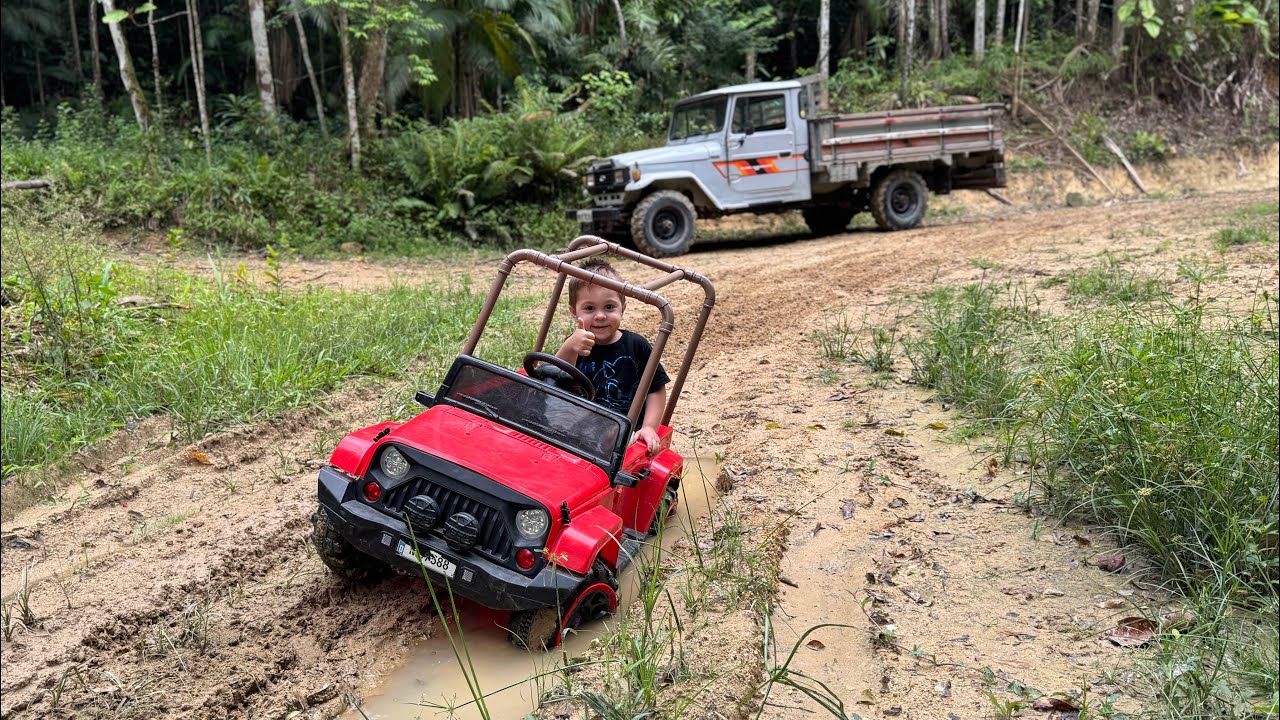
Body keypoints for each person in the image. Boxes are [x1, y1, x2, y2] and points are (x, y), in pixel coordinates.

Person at [555, 258, 669, 456]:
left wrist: (649, 427)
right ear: (574, 312)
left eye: (609, 307)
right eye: (589, 309)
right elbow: (555, 380)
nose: (600, 316)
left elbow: (656, 389)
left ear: (622, 308)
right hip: (579, 428)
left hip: (627, 434)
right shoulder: (574, 344)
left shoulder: (636, 346)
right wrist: (569, 347)